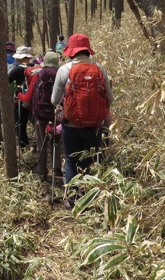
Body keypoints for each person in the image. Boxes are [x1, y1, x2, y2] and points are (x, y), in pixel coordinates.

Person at [51, 34, 112, 208]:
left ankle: (72, 200)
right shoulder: (99, 68)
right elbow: (110, 97)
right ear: (87, 49)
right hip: (94, 126)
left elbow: (54, 100)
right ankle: (89, 198)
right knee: (89, 162)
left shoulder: (64, 69)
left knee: (71, 161)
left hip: (71, 125)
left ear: (71, 51)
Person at [18, 51, 62, 181]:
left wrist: (19, 94)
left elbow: (28, 97)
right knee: (56, 141)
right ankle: (57, 169)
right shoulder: (62, 74)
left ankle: (42, 172)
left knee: (41, 142)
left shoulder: (38, 75)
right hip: (57, 114)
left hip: (40, 114)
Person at [8, 46, 34, 148]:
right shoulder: (36, 66)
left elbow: (7, 79)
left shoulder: (18, 69)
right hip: (35, 99)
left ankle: (23, 145)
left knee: (20, 123)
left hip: (21, 99)